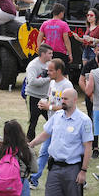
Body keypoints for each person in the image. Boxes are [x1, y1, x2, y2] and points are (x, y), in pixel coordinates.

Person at [29, 88, 92, 196]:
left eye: (65, 99)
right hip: (55, 168)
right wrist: (31, 144)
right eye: (61, 98)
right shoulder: (57, 117)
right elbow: (45, 134)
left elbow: (88, 147)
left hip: (73, 168)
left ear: (75, 100)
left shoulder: (84, 121)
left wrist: (83, 171)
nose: (62, 101)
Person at [29, 58, 73, 188]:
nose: (48, 73)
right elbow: (51, 99)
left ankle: (78, 177)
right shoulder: (52, 83)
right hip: (53, 123)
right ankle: (34, 179)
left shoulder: (67, 85)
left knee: (65, 153)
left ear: (59, 71)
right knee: (44, 152)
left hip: (64, 124)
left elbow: (68, 106)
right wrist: (44, 103)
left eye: (51, 70)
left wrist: (49, 107)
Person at [24, 44, 53, 141]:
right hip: (33, 97)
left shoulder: (49, 64)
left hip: (45, 98)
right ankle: (28, 146)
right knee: (33, 123)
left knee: (51, 121)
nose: (51, 55)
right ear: (43, 54)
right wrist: (48, 79)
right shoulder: (33, 65)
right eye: (49, 53)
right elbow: (32, 82)